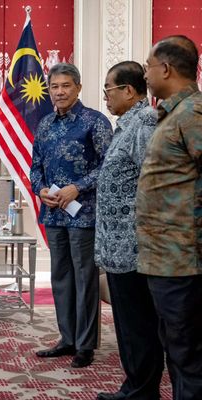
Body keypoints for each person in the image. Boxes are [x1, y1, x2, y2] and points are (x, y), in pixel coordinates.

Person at [30, 63, 113, 368]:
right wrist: (40, 189)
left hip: (84, 214)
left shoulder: (95, 121)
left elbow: (109, 166)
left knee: (84, 278)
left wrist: (77, 187)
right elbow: (35, 166)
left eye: (66, 85)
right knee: (61, 277)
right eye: (54, 86)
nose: (60, 91)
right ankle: (67, 338)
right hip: (53, 213)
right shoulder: (45, 124)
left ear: (78, 87)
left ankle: (85, 344)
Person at [137, 35, 202, 400]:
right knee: (176, 349)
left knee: (188, 353)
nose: (145, 74)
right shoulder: (174, 113)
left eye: (148, 67)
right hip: (165, 259)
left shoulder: (192, 113)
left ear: (165, 68)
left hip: (183, 261)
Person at [94, 62, 164, 400]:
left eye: (108, 89)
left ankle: (142, 390)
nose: (105, 96)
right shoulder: (126, 125)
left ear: (129, 91)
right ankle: (136, 386)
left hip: (134, 246)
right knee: (128, 325)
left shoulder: (145, 123)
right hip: (118, 247)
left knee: (139, 324)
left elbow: (153, 182)